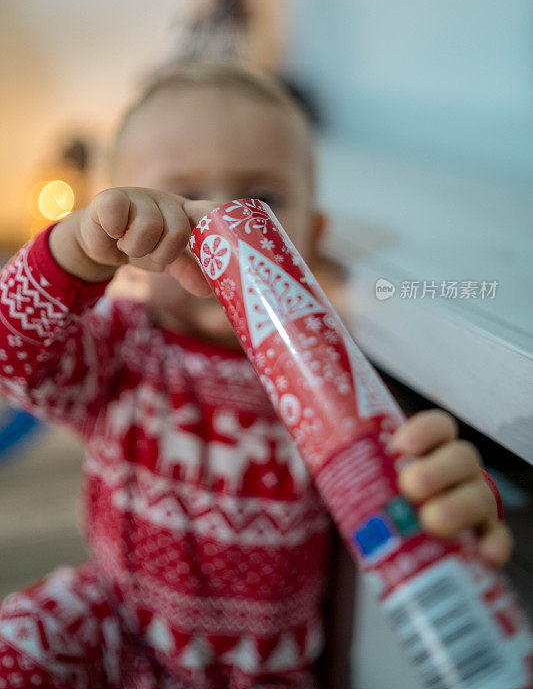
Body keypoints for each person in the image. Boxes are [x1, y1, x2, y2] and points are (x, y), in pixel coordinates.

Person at [0, 63, 510, 689]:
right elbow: (12, 354)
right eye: (173, 203)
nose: (215, 227)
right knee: (19, 633)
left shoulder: (328, 370)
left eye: (260, 202)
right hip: (120, 621)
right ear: (126, 245)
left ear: (311, 238)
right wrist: (74, 248)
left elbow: (396, 484)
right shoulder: (121, 347)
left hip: (267, 667)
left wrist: (454, 498)